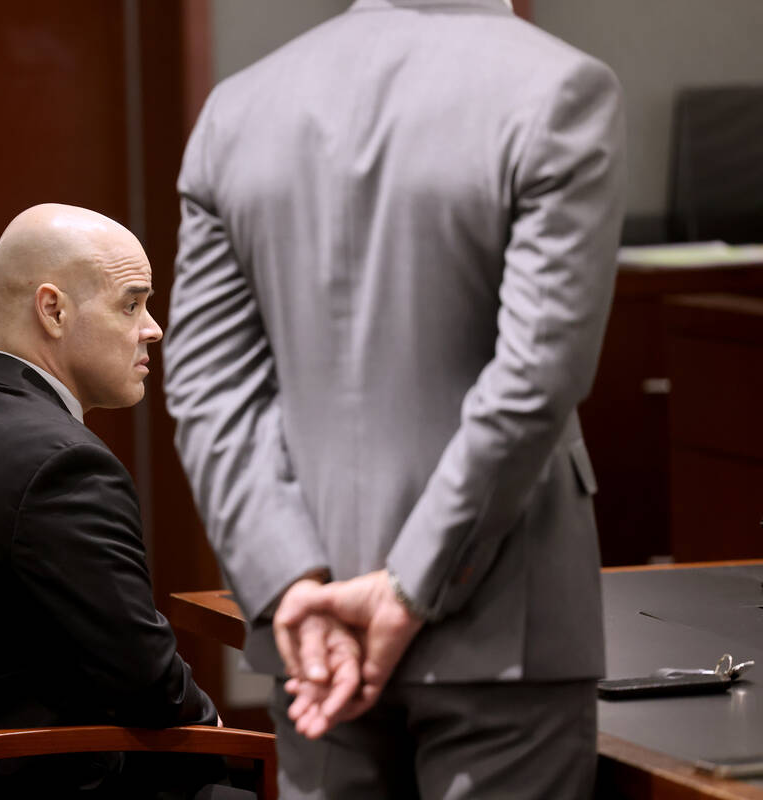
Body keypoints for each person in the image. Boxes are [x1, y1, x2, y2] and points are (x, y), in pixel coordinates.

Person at [163, 1, 627, 797]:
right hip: (502, 624)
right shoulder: (559, 88)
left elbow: (206, 386)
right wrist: (410, 582)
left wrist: (292, 586)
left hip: (314, 640)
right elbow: (534, 376)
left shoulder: (238, 110)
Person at [0, 204, 232, 798]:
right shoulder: (64, 463)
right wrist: (223, 737)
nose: (153, 328)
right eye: (131, 304)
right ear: (53, 311)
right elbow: (150, 682)